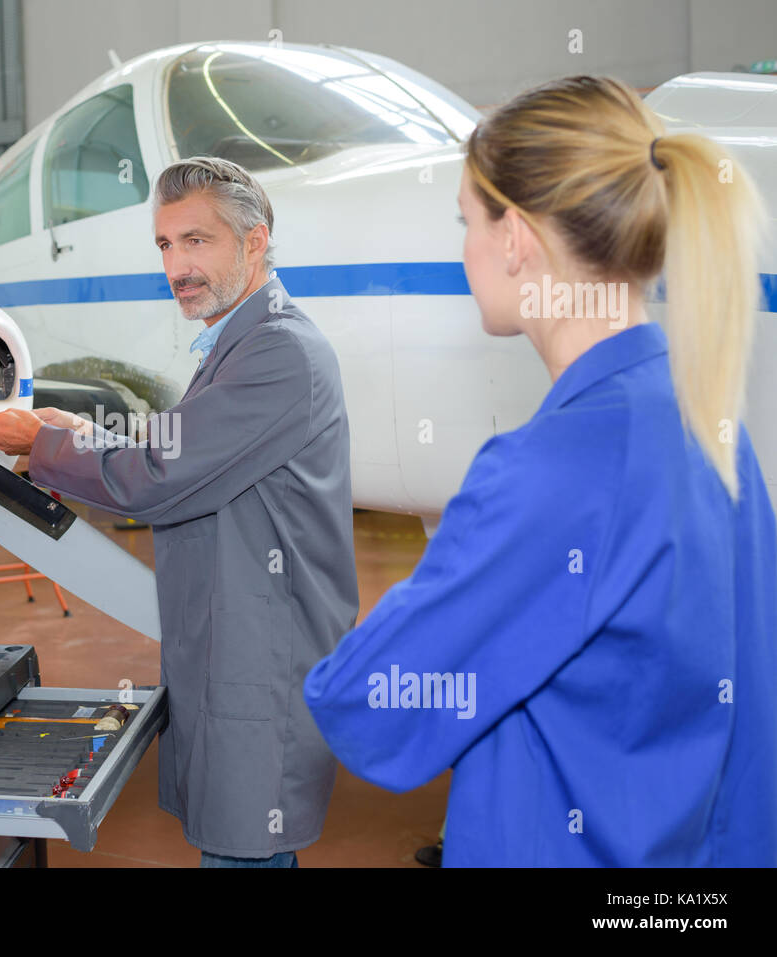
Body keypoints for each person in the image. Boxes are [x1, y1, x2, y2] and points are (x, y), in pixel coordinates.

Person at [304, 75, 776, 866]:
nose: (464, 248)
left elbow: (367, 706)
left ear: (516, 238)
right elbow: (753, 722)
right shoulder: (715, 431)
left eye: (467, 220)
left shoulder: (545, 474)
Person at [0, 157, 358, 867]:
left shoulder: (279, 353)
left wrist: (46, 446)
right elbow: (188, 449)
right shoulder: (241, 341)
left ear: (255, 242)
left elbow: (161, 475)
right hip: (231, 643)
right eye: (164, 245)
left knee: (245, 851)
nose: (176, 265)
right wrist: (83, 435)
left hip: (259, 658)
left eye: (196, 240)